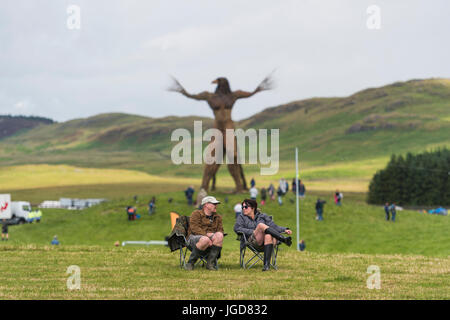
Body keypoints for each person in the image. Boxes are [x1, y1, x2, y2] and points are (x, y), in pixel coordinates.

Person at [234, 199, 292, 271]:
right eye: (242, 207)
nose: (243, 209)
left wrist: (284, 230)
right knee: (261, 225)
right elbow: (237, 228)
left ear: (253, 208)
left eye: (246, 207)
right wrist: (254, 231)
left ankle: (266, 266)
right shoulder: (241, 217)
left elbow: (274, 226)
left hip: (268, 243)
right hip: (252, 241)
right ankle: (283, 239)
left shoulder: (262, 216)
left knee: (268, 235)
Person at [185, 196, 224, 270]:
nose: (216, 205)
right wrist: (207, 235)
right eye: (214, 204)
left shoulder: (217, 217)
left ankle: (210, 264)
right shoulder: (196, 214)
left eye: (216, 204)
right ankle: (190, 263)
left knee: (220, 235)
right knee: (205, 239)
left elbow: (220, 230)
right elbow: (195, 228)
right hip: (194, 238)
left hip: (211, 241)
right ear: (206, 205)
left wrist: (214, 236)